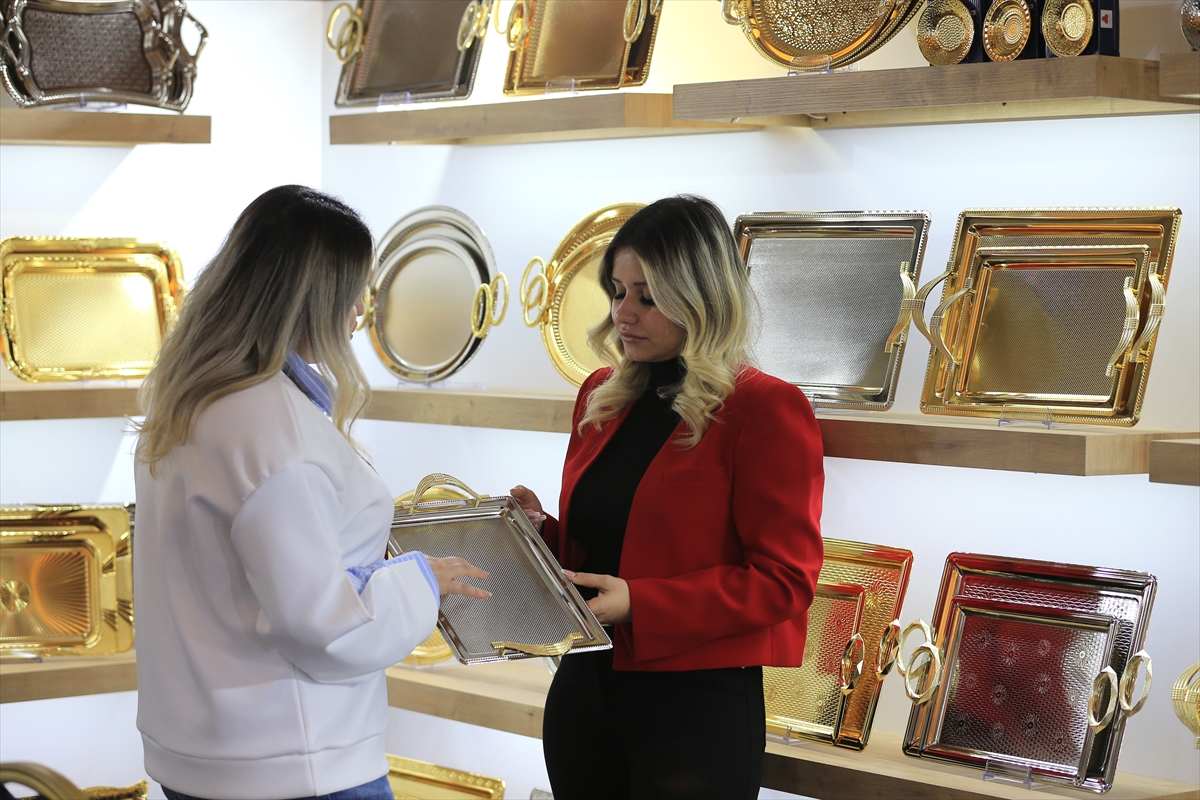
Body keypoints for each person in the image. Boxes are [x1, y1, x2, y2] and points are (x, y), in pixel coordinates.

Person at [133, 186, 489, 800]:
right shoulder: (274, 429)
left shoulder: (189, 401)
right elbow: (324, 628)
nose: (361, 310)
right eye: (355, 290)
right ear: (313, 297)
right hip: (296, 764)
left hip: (201, 754)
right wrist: (420, 581)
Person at [511, 195, 824, 800]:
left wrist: (642, 603)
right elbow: (602, 552)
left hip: (694, 708)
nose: (623, 313)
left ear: (701, 297)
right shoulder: (601, 394)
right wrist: (538, 533)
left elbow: (784, 581)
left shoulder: (764, 407)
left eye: (647, 297)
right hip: (583, 692)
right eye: (617, 291)